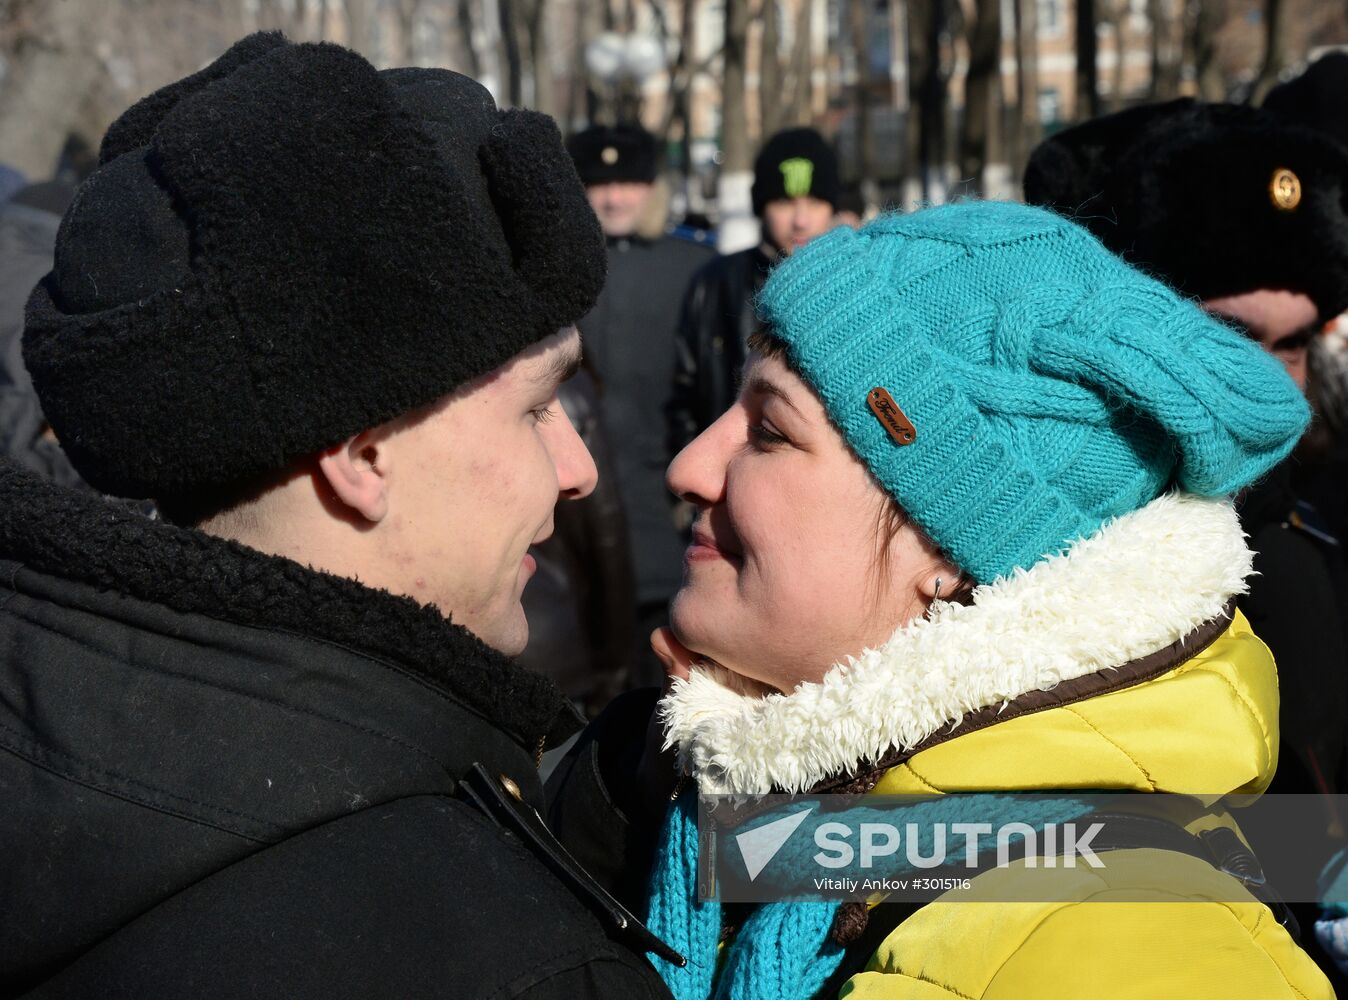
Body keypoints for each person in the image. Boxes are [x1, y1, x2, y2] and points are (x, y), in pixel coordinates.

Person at [0, 33, 675, 998]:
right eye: (535, 407)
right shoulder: (512, 966)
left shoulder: (59, 741)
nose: (576, 469)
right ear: (362, 456)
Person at [553, 201, 1332, 998]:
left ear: (952, 550)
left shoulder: (1136, 950)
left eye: (771, 431)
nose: (689, 466)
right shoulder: (751, 830)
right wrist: (632, 780)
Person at [1024, 98, 1348, 801]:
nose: (1271, 379)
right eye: (1229, 335)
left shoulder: (1306, 551)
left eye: (1293, 343)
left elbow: (1309, 850)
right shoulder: (1047, 555)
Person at [567, 123, 714, 687]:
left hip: (668, 522)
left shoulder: (695, 270)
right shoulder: (554, 271)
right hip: (572, 527)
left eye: (630, 182)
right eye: (598, 184)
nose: (614, 197)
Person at [668, 126, 840, 456]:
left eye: (815, 201)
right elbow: (683, 399)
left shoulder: (861, 287)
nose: (801, 219)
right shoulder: (715, 284)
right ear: (761, 206)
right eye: (785, 202)